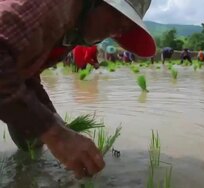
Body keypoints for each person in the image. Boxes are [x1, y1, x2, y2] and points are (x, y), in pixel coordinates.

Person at [0, 0, 156, 179]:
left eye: (125, 29)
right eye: (119, 17)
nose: (119, 31)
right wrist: (55, 134)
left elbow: (26, 75)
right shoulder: (54, 6)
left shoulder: (73, 30)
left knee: (34, 139)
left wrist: (55, 122)